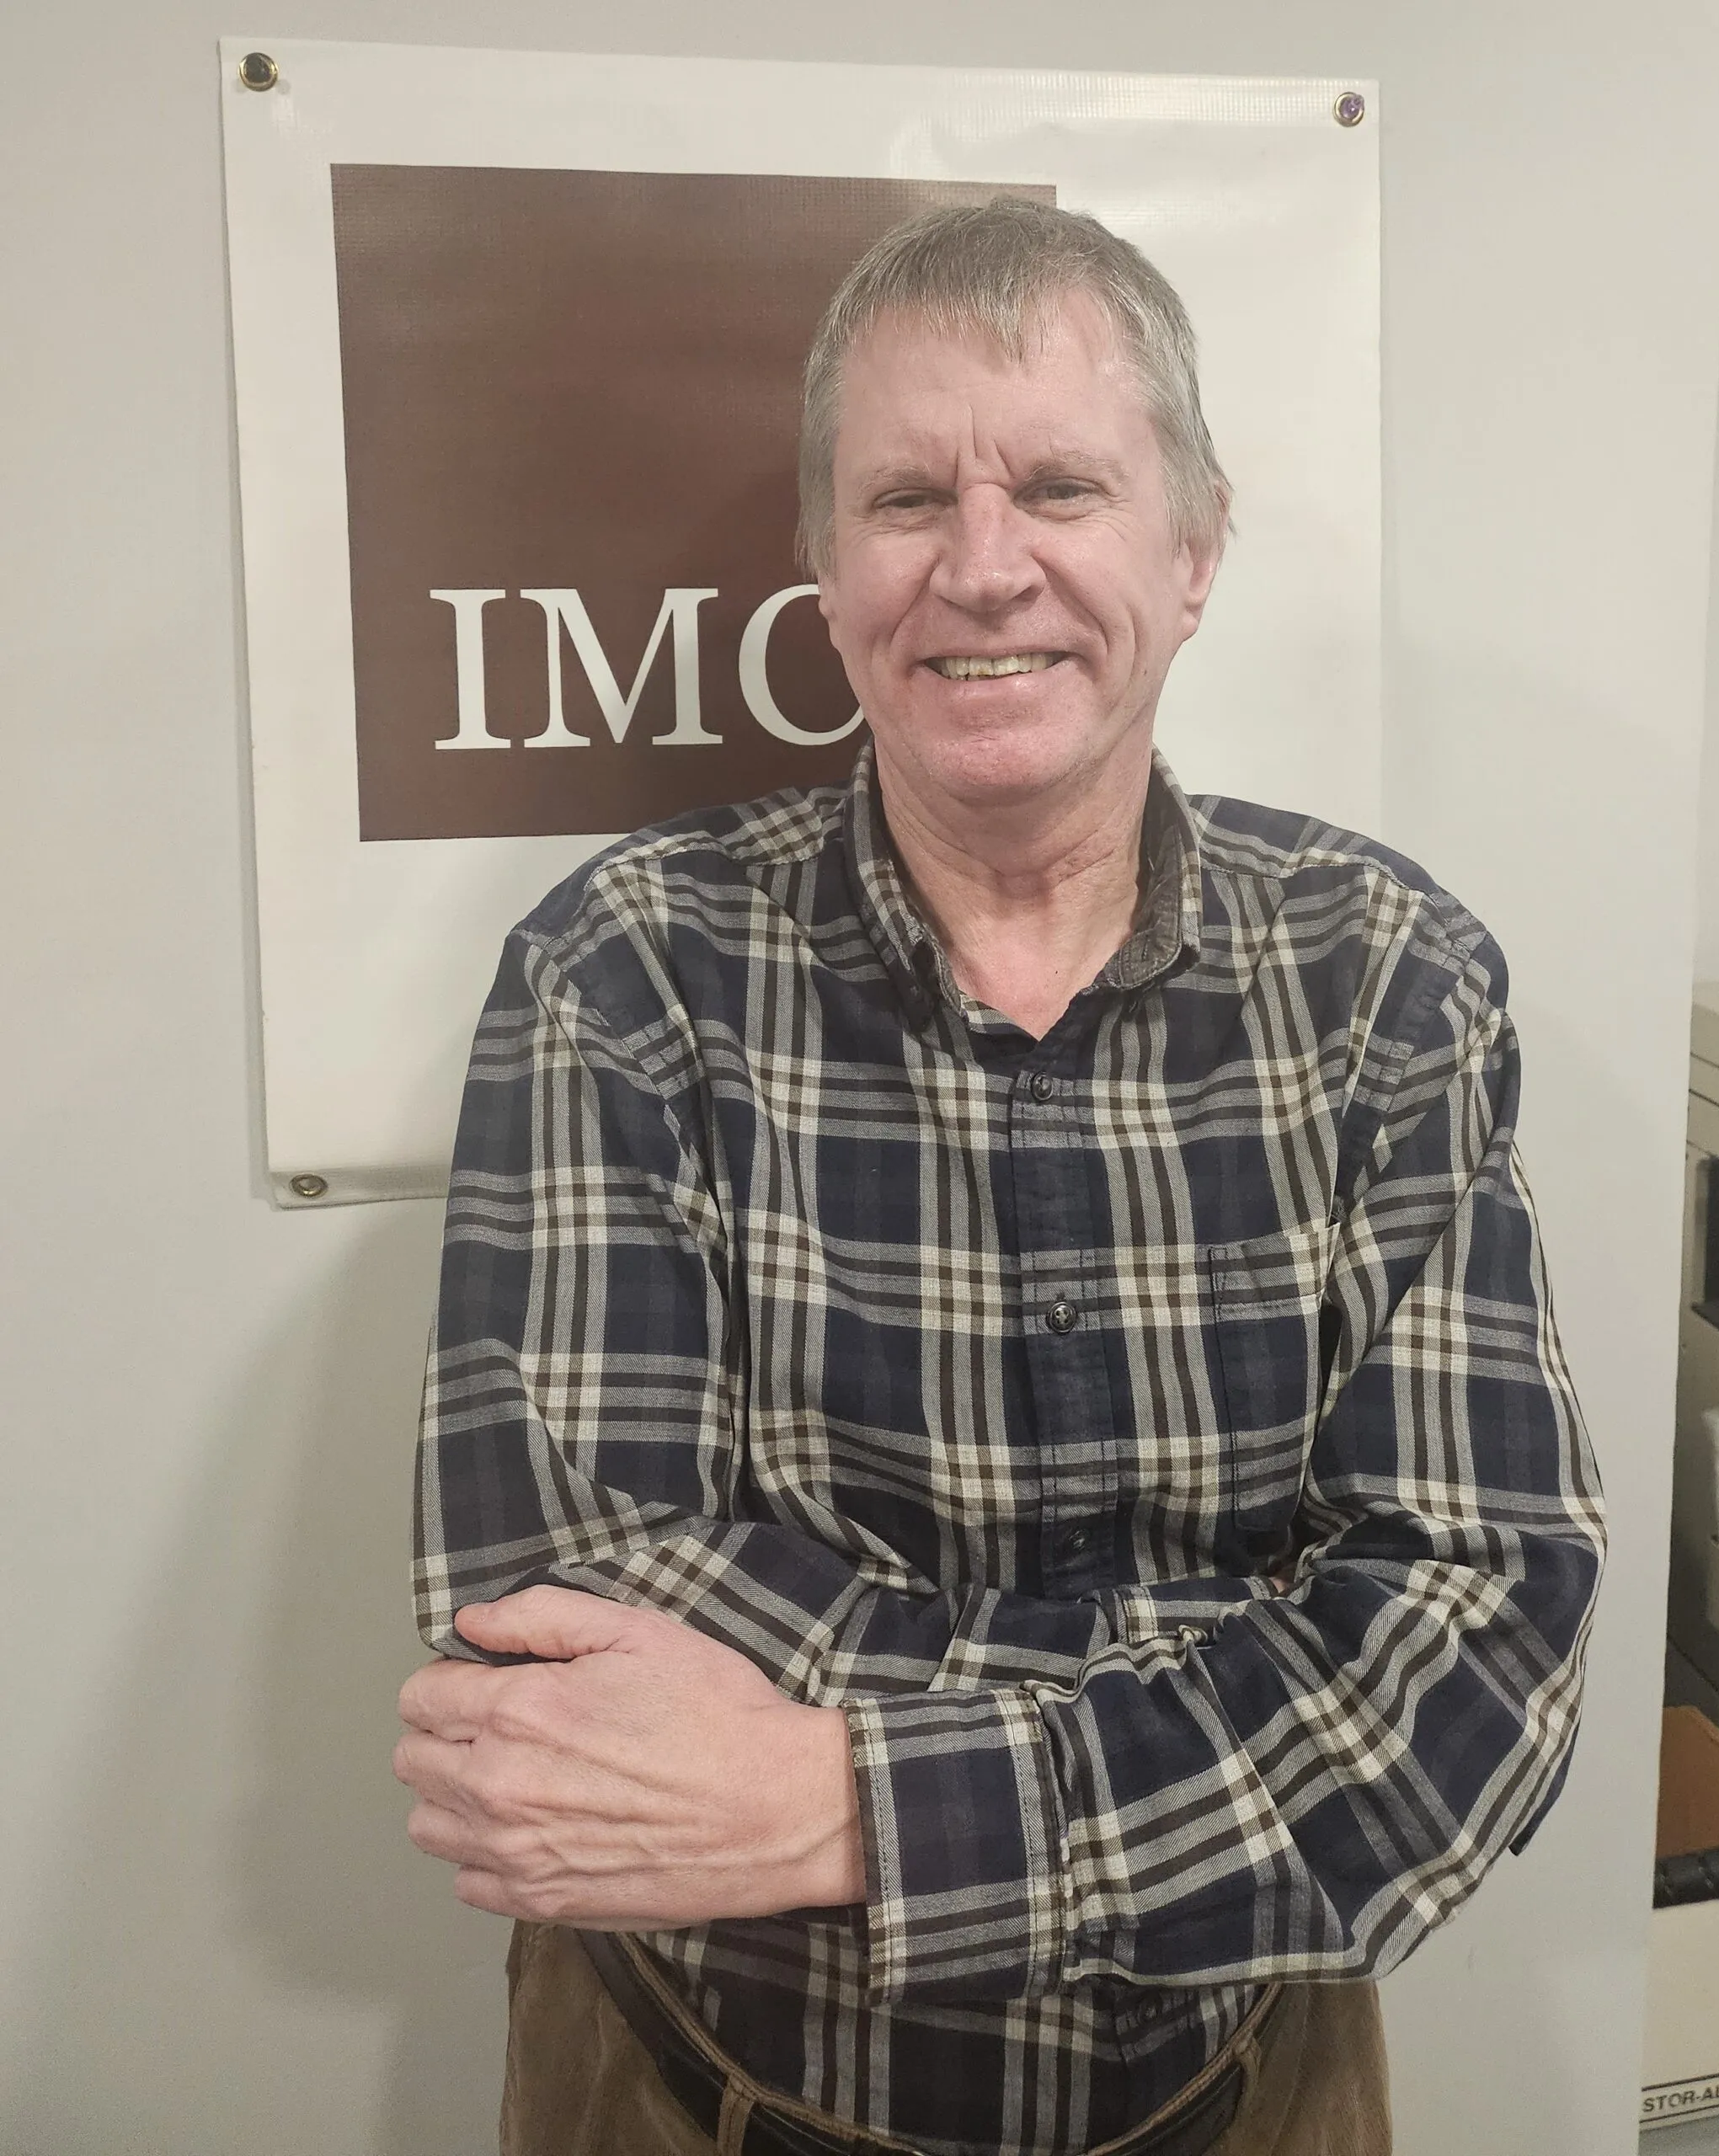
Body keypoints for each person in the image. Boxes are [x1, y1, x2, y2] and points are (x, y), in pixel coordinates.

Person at [395, 197, 1604, 2156]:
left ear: (1192, 549)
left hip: (1246, 2091)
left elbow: (1466, 1658)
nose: (982, 566)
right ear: (821, 558)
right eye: (903, 499)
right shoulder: (622, 974)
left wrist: (845, 1797)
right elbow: (563, 1618)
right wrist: (1246, 1657)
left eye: (1058, 483)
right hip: (697, 2087)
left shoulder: (1385, 982)